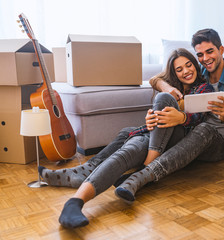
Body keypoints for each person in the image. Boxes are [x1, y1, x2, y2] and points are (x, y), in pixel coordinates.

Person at [39, 48, 214, 228]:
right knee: (128, 144)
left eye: (189, 65)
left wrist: (182, 117)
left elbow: (199, 117)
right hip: (156, 137)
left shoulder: (204, 88)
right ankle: (75, 202)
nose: (186, 71)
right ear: (174, 73)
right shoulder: (170, 88)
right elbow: (156, 81)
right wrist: (152, 117)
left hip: (179, 139)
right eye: (179, 69)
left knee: (146, 118)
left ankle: (134, 166)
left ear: (195, 65)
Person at [114, 28, 224, 204]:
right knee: (131, 131)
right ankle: (95, 169)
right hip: (192, 133)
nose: (205, 59)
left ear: (221, 50)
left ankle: (142, 176)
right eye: (200, 55)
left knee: (205, 128)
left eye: (210, 52)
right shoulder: (197, 72)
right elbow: (156, 79)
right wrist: (168, 90)